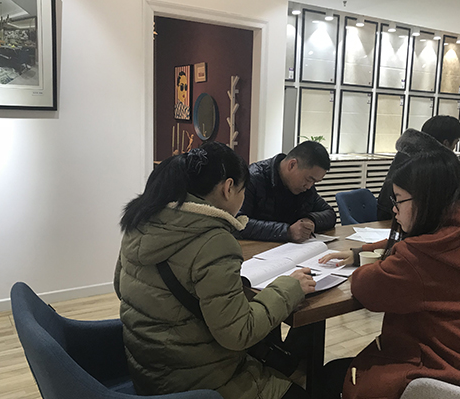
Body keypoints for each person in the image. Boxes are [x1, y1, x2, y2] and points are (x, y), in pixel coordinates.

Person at [318, 147, 460, 399]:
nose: (394, 209)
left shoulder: (419, 257)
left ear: (426, 200)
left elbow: (365, 287)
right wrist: (364, 250)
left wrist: (367, 263)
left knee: (328, 376)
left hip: (447, 384)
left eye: (398, 199)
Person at [114, 142, 316, 399]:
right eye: (243, 190)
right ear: (228, 188)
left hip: (147, 369)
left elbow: (121, 287)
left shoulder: (140, 220)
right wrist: (290, 286)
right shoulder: (214, 241)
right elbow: (238, 333)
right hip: (198, 382)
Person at [236, 141, 336, 242]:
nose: (309, 186)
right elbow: (237, 223)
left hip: (292, 248)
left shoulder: (306, 189)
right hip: (255, 248)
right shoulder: (253, 178)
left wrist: (311, 220)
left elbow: (330, 213)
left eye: (315, 182)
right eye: (309, 179)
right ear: (292, 165)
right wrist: (287, 232)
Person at [377, 115, 460, 220]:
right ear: (445, 143)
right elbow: (440, 200)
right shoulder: (430, 162)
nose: (453, 148)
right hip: (401, 218)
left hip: (388, 212)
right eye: (455, 143)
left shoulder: (407, 152)